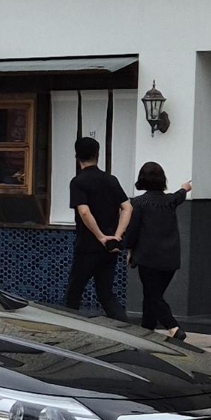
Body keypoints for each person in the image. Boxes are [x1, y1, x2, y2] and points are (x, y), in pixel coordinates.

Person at [123, 161, 193, 340]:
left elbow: (133, 230)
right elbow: (180, 195)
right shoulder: (170, 201)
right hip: (170, 259)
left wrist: (129, 249)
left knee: (153, 296)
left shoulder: (139, 203)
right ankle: (147, 328)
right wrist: (185, 188)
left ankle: (173, 327)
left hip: (148, 258)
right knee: (153, 294)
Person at [64, 136, 130, 320]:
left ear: (76, 156)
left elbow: (84, 212)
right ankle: (125, 329)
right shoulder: (111, 179)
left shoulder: (78, 182)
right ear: (98, 155)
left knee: (74, 293)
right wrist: (115, 236)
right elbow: (127, 207)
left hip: (87, 246)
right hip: (110, 249)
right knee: (106, 294)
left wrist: (100, 236)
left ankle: (71, 330)